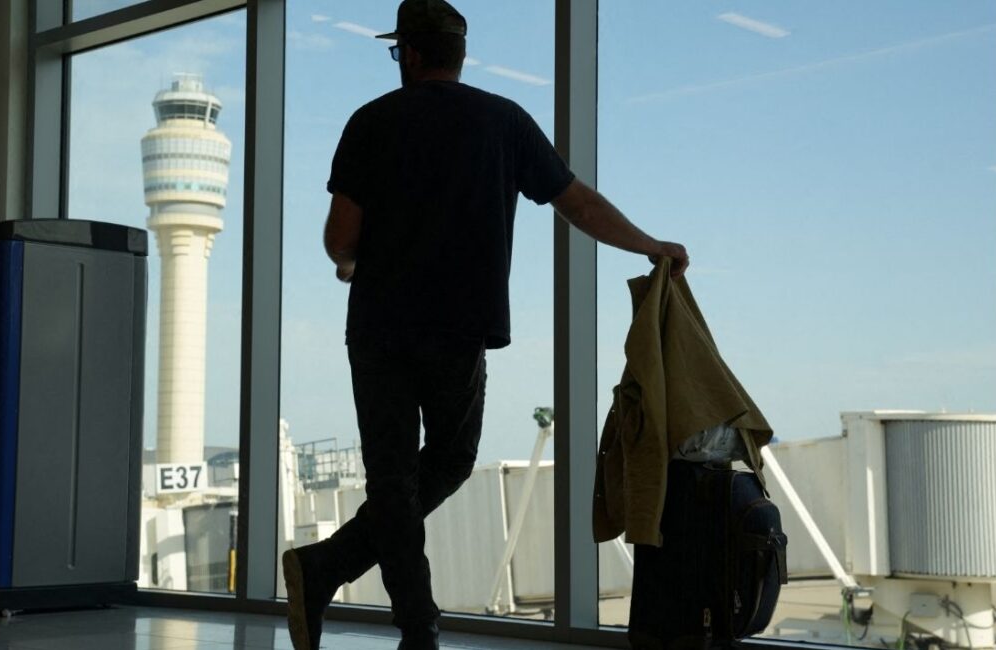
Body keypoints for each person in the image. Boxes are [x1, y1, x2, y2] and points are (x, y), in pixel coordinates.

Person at [281, 1, 690, 649]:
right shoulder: (503, 121)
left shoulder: (371, 121)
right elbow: (577, 204)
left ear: (410, 54)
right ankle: (352, 586)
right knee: (447, 461)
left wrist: (350, 261)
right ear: (458, 53)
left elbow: (339, 238)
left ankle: (371, 596)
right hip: (459, 328)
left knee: (392, 478)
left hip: (380, 327)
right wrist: (650, 246)